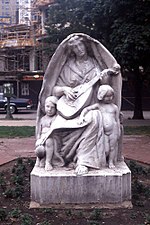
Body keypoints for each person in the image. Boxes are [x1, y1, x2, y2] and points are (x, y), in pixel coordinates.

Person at [36, 33, 122, 175]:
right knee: (56, 125)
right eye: (75, 47)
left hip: (90, 108)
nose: (79, 49)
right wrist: (64, 89)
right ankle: (57, 158)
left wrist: (105, 78)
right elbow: (54, 89)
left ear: (85, 46)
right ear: (71, 50)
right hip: (68, 109)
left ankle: (84, 161)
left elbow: (103, 88)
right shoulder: (67, 67)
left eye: (80, 45)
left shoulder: (95, 65)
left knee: (94, 118)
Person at [79, 85, 121, 168]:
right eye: (107, 96)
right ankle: (103, 160)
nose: (109, 98)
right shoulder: (98, 106)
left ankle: (110, 162)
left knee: (112, 148)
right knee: (106, 149)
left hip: (113, 130)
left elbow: (117, 120)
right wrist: (81, 117)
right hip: (104, 131)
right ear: (101, 96)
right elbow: (86, 109)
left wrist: (118, 130)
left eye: (110, 96)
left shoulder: (114, 107)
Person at [35, 96, 64, 171]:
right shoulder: (42, 119)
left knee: (49, 141)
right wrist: (38, 139)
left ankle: (48, 162)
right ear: (44, 106)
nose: (49, 109)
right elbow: (39, 132)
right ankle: (40, 160)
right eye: (47, 106)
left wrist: (44, 138)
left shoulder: (55, 118)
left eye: (52, 107)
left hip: (52, 138)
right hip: (42, 138)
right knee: (39, 148)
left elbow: (52, 131)